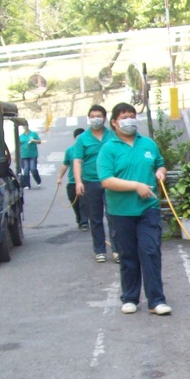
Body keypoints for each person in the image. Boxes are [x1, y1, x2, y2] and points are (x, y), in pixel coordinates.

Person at [97, 102, 171, 316]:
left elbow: (160, 163)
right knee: (128, 255)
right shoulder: (109, 149)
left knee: (150, 252)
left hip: (149, 209)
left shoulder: (148, 144)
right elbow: (106, 180)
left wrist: (161, 172)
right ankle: (130, 297)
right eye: (124, 117)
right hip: (120, 211)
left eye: (132, 116)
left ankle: (156, 300)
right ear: (114, 122)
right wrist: (135, 186)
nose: (129, 120)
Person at [72, 105, 116, 262]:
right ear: (89, 118)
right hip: (90, 181)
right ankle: (100, 250)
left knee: (113, 215)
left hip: (111, 181)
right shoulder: (83, 139)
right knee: (95, 218)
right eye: (92, 116)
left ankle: (117, 249)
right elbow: (77, 161)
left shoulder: (113, 135)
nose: (95, 119)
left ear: (105, 118)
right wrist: (78, 182)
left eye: (98, 116)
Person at [57, 127, 88, 230]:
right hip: (72, 181)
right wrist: (59, 177)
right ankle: (79, 219)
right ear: (75, 139)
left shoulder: (88, 149)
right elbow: (65, 164)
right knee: (74, 202)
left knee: (83, 202)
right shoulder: (69, 151)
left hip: (85, 181)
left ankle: (84, 222)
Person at [18, 121, 42, 188]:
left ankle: (38, 180)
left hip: (32, 154)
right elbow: (18, 146)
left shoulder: (33, 134)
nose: (25, 127)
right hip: (24, 155)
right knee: (26, 170)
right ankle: (27, 184)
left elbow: (39, 141)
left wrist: (34, 140)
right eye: (23, 126)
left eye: (26, 125)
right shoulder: (21, 136)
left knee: (33, 169)